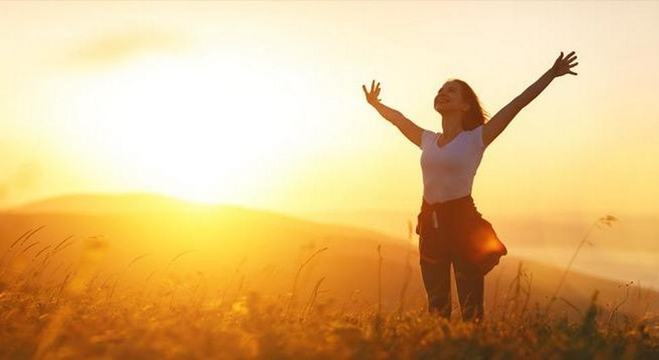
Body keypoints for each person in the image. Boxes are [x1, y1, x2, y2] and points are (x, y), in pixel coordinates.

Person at [362, 51, 579, 321]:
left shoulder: (478, 138)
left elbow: (518, 104)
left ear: (466, 106)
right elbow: (399, 120)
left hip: (463, 223)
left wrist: (551, 74)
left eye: (451, 91)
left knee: (471, 308)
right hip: (430, 223)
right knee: (437, 306)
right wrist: (375, 104)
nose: (442, 93)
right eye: (440, 90)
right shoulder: (427, 139)